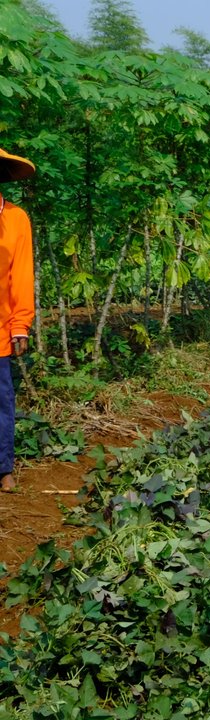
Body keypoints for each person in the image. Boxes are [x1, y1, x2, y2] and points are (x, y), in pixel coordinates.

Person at [0, 148, 35, 493]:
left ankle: (2, 468)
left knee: (1, 400)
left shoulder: (16, 219)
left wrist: (20, 324)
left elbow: (20, 274)